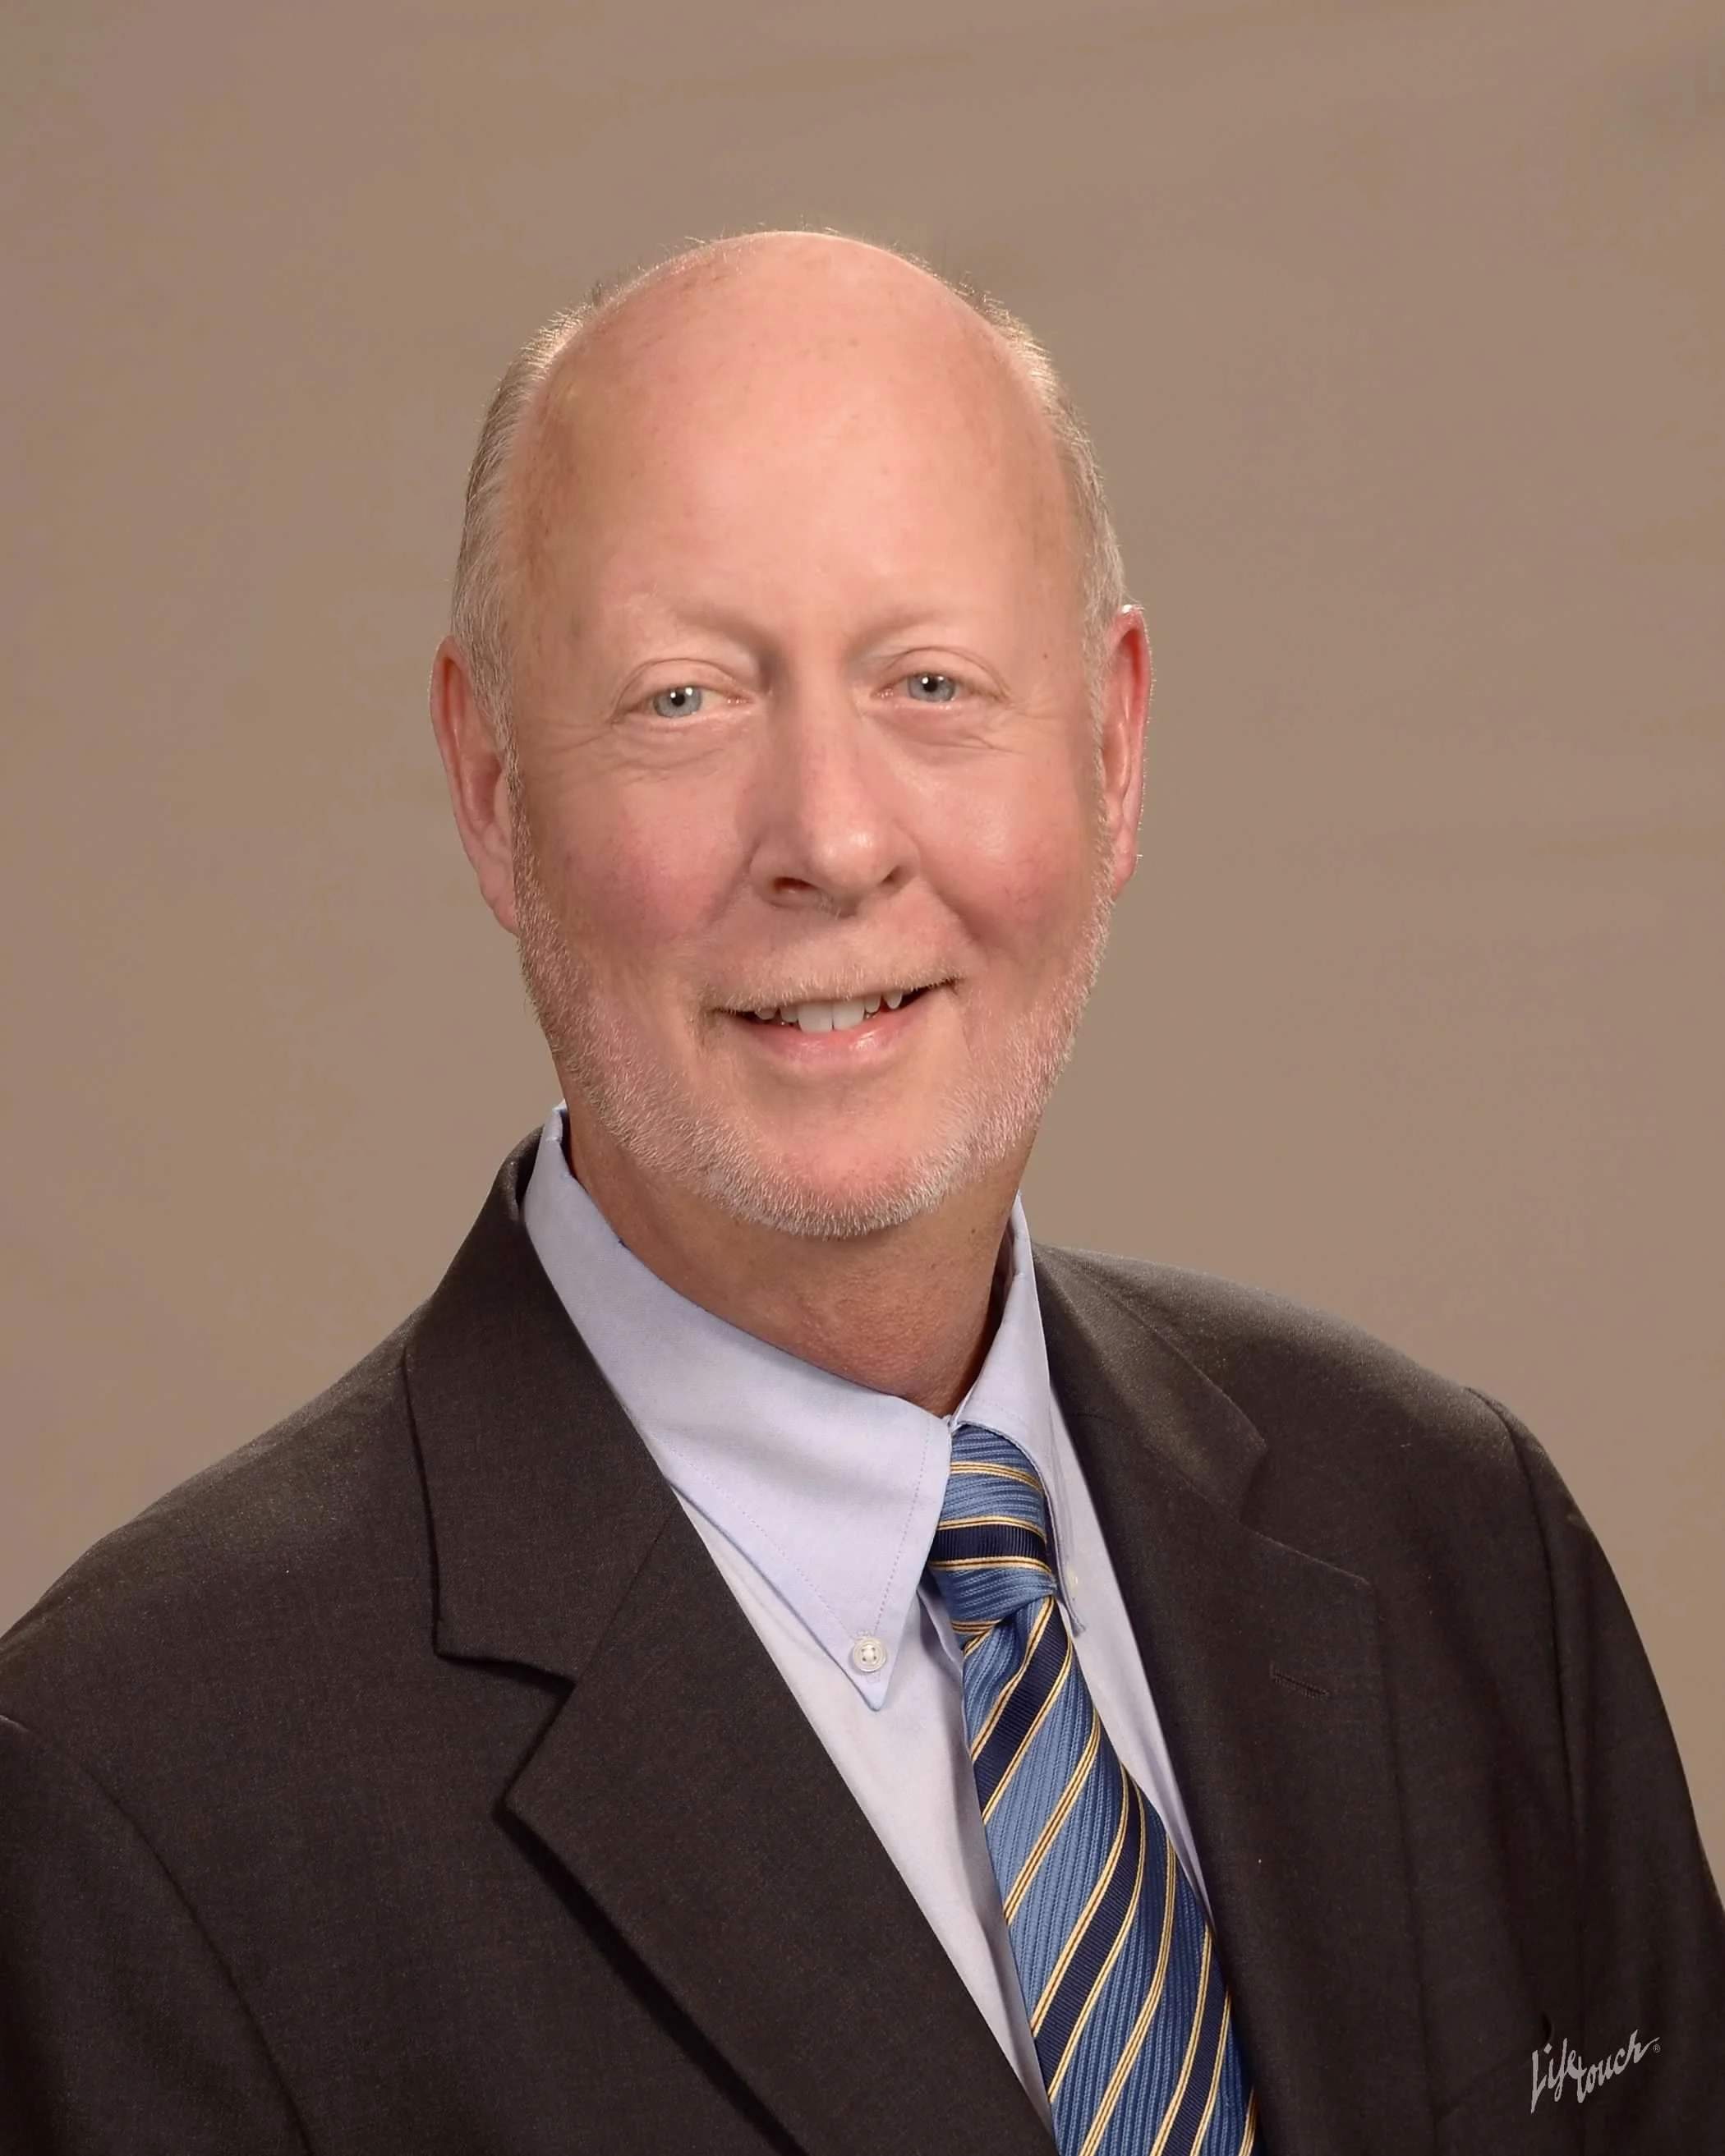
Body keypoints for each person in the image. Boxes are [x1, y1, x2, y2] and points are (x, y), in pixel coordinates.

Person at [0, 232, 1718, 2156]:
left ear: (1115, 743)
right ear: (490, 787)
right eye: (682, 699)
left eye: (929, 679)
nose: (829, 835)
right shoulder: (136, 1799)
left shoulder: (1460, 1546)